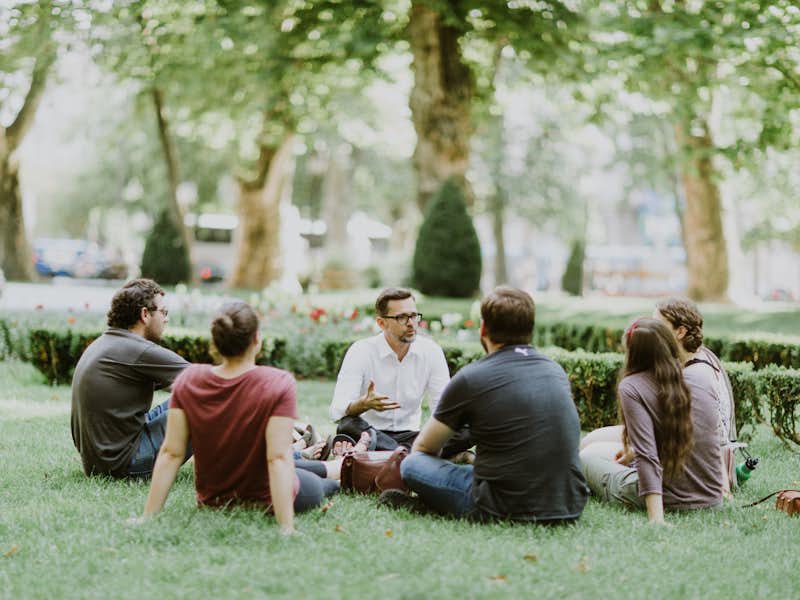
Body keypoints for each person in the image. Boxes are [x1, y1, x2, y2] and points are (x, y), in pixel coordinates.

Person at [385, 286, 588, 523]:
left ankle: (434, 504)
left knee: (412, 464)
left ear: (483, 329)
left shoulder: (472, 377)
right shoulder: (555, 371)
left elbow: (423, 449)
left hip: (500, 506)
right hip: (568, 504)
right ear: (530, 330)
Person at [142, 301, 340, 534]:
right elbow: (277, 459)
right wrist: (286, 527)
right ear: (257, 339)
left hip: (214, 502)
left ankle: (338, 467)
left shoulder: (189, 380)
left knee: (302, 469)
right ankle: (340, 476)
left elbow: (171, 453)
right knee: (319, 485)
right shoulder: (278, 382)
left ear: (215, 343)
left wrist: (148, 517)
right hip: (269, 498)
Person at [581, 296, 737, 492]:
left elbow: (702, 437)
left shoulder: (692, 377)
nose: (652, 331)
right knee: (591, 438)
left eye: (659, 325)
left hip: (693, 463)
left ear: (680, 332)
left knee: (590, 451)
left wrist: (634, 451)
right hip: (675, 446)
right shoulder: (698, 357)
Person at [71, 278, 191, 479]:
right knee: (205, 399)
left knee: (189, 397)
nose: (166, 319)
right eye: (163, 312)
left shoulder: (105, 343)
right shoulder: (138, 350)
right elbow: (207, 382)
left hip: (98, 463)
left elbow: (184, 383)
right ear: (145, 314)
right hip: (125, 464)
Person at [330, 287, 471, 458]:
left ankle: (396, 456)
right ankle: (418, 457)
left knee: (469, 428)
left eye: (413, 316)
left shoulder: (431, 351)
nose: (411, 323)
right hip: (371, 433)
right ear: (382, 323)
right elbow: (338, 410)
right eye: (402, 317)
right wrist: (363, 404)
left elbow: (441, 408)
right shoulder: (361, 351)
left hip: (413, 436)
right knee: (347, 425)